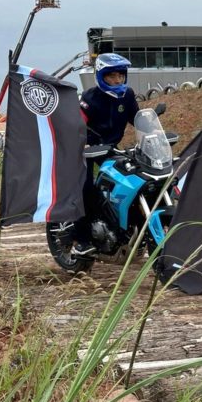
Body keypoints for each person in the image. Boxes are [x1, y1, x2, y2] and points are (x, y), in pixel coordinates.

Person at [73, 53, 140, 255]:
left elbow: (138, 120)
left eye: (120, 75)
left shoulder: (127, 95)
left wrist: (152, 132)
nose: (117, 80)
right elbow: (77, 125)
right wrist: (82, 144)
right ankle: (81, 240)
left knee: (133, 179)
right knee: (85, 188)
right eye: (112, 76)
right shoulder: (89, 98)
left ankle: (123, 227)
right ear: (101, 76)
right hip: (86, 149)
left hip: (110, 148)